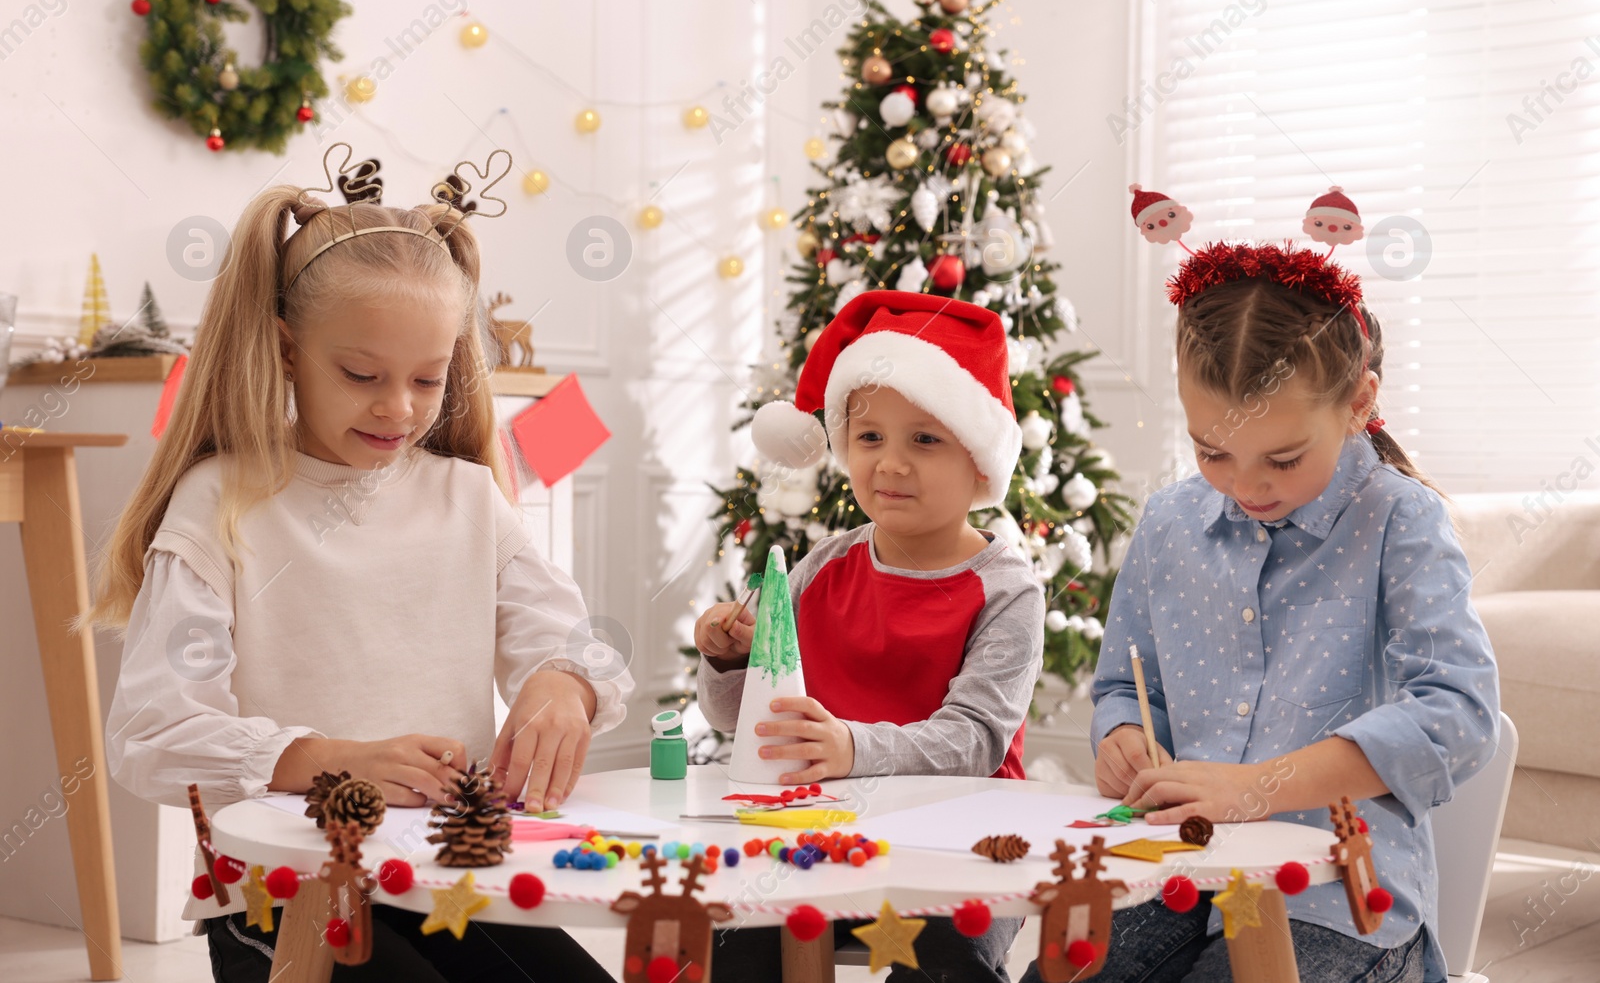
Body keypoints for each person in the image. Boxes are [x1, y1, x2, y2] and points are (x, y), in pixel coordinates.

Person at [89, 149, 629, 982]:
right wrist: (325, 756)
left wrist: (568, 683)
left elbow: (583, 645)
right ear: (286, 349)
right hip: (282, 893)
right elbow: (150, 736)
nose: (400, 407)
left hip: (450, 879)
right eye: (361, 374)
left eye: (428, 377)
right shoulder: (222, 500)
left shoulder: (469, 497)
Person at [1021, 216, 1498, 982]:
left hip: (1338, 900)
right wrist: (1121, 738)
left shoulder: (1399, 520)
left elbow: (1457, 713)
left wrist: (1256, 788)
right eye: (1212, 451)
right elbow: (1121, 683)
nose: (1245, 487)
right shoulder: (1169, 522)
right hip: (1168, 877)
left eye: (1282, 457)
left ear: (1357, 402)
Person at [695, 290, 1046, 981]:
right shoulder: (821, 567)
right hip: (824, 833)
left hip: (964, 841)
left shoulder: (1007, 589)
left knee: (952, 959)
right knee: (739, 946)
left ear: (979, 460)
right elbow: (748, 723)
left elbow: (973, 741)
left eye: (924, 438)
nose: (889, 463)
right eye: (869, 437)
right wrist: (729, 661)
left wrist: (850, 746)